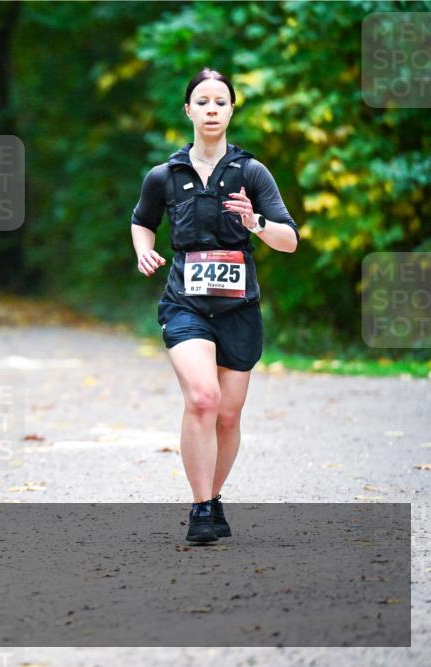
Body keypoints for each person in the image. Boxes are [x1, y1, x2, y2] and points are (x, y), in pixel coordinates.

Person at [130, 68, 299, 543]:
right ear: (188, 110)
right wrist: (144, 248)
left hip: (238, 309)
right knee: (202, 398)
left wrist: (256, 221)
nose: (211, 109)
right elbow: (141, 220)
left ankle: (214, 497)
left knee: (228, 413)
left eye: (220, 102)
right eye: (202, 101)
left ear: (230, 110)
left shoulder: (251, 172)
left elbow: (289, 241)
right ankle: (201, 508)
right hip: (184, 303)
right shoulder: (165, 174)